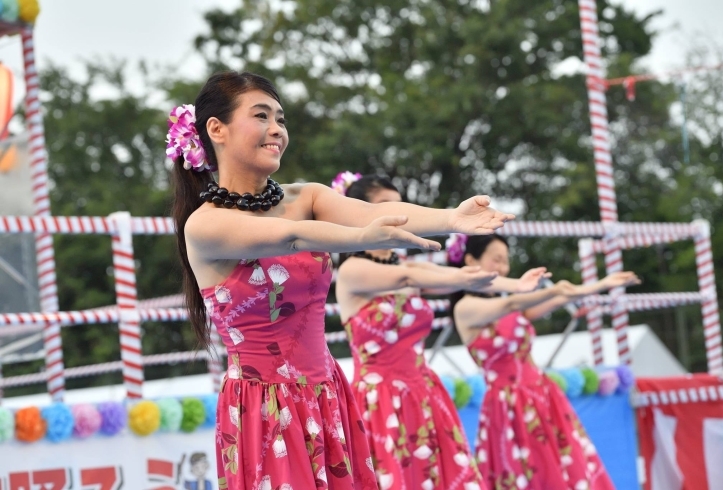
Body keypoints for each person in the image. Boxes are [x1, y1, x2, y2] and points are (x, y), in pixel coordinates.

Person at [169, 71, 515, 490]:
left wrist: (449, 219)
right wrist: (360, 238)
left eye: (280, 118)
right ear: (216, 129)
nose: (276, 129)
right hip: (265, 406)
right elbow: (289, 236)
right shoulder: (204, 226)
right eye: (261, 116)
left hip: (328, 393)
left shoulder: (307, 197)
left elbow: (368, 213)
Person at [333, 173, 551, 490]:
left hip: (423, 390)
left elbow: (459, 274)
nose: (398, 214)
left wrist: (515, 285)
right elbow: (408, 277)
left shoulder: (403, 263)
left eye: (401, 205)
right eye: (384, 206)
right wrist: (454, 230)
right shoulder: (353, 271)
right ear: (357, 211)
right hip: (380, 399)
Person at [449, 234, 640, 490]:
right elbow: (515, 301)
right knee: (526, 474)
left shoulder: (511, 305)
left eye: (506, 261)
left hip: (542, 395)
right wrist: (555, 288)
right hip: (508, 404)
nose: (503, 268)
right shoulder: (466, 307)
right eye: (496, 259)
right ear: (471, 260)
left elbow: (559, 299)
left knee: (565, 469)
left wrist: (599, 284)